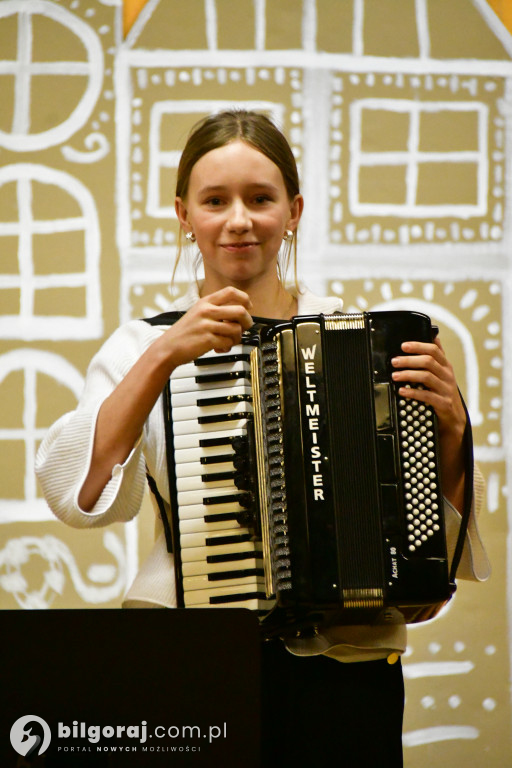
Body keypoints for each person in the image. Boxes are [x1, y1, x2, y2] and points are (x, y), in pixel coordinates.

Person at [36, 110, 490, 767]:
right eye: (215, 201)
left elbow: (414, 528)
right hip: (190, 660)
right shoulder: (140, 344)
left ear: (293, 210)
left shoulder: (360, 340)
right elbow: (78, 493)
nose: (239, 220)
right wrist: (163, 355)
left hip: (347, 668)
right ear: (183, 214)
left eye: (260, 198)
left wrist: (451, 433)